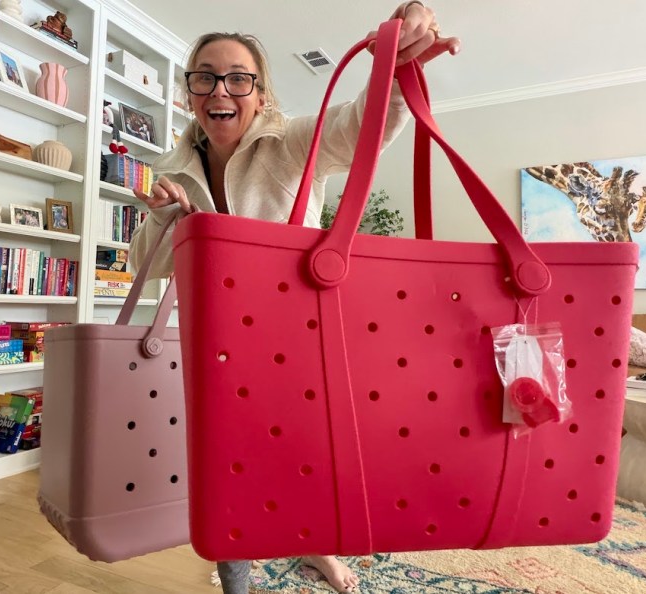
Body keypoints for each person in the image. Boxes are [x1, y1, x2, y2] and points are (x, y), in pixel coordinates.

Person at [127, 3, 459, 593]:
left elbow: (363, 128)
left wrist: (395, 67)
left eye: (237, 77)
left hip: (296, 332)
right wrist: (161, 217)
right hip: (213, 340)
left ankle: (315, 548)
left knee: (305, 451)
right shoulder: (173, 166)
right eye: (204, 76)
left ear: (259, 93)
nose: (220, 89)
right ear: (189, 93)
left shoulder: (291, 141)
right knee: (222, 465)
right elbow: (140, 264)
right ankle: (238, 581)